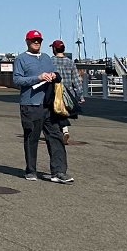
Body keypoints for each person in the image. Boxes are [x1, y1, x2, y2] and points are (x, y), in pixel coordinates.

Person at [14, 30, 71, 183]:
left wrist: (53, 76)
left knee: (55, 137)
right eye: (34, 40)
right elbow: (17, 80)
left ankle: (58, 172)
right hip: (30, 104)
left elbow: (57, 75)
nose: (37, 42)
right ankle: (31, 170)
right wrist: (37, 78)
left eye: (39, 40)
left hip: (49, 104)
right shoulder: (21, 59)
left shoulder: (47, 58)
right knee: (32, 137)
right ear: (27, 41)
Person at [50, 39, 85, 145]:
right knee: (63, 112)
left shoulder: (50, 61)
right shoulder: (70, 62)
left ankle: (63, 131)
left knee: (55, 112)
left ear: (54, 49)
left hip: (55, 91)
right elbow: (76, 80)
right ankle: (64, 131)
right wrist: (80, 95)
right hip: (68, 93)